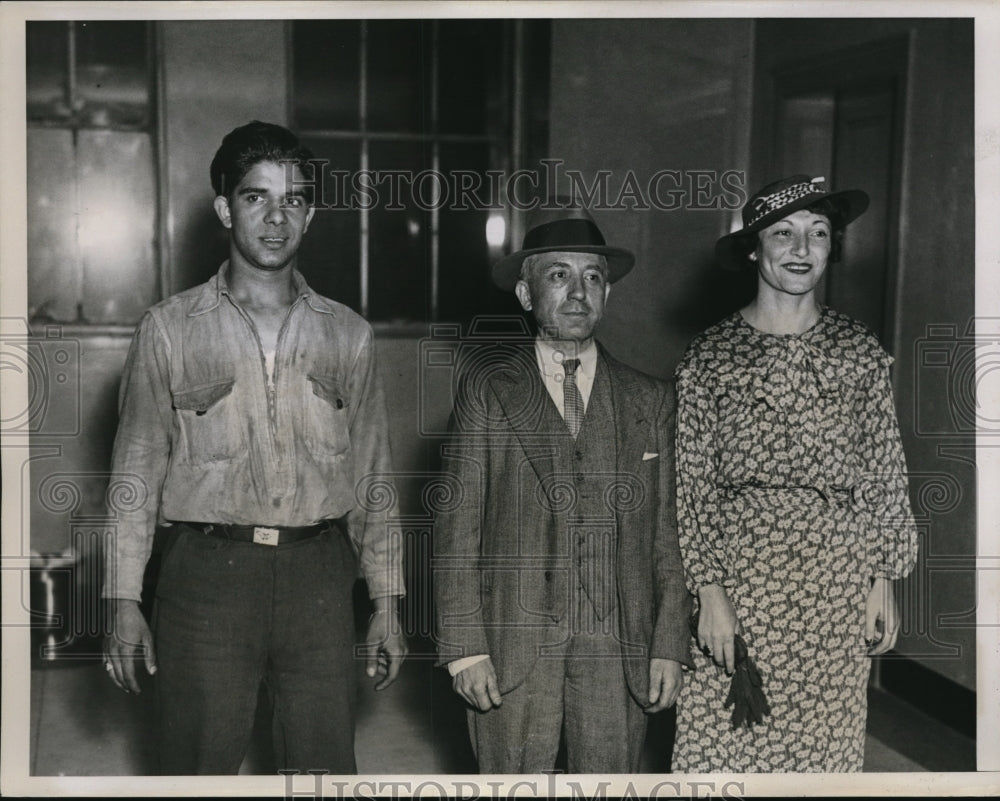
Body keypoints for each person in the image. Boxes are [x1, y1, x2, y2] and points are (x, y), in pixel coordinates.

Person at [101, 121, 407, 775]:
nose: (276, 217)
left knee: (324, 770)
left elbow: (375, 475)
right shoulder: (168, 330)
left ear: (311, 213)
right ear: (224, 208)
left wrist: (387, 600)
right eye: (255, 196)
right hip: (206, 578)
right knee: (196, 768)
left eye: (293, 199)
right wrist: (123, 599)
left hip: (318, 577)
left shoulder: (348, 335)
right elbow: (134, 473)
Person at [671, 175, 919, 772]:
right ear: (756, 248)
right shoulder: (711, 356)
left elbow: (884, 469)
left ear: (832, 247)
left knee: (821, 755)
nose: (801, 248)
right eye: (783, 233)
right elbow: (692, 485)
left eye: (818, 233)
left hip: (836, 580)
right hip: (741, 577)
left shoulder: (858, 350)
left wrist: (881, 576)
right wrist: (709, 592)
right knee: (721, 749)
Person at [433, 201, 692, 773]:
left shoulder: (649, 399)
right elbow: (457, 531)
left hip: (617, 648)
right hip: (511, 648)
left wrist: (669, 643)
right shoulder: (488, 391)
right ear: (526, 295)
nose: (578, 292)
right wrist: (464, 649)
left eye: (592, 277)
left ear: (608, 294)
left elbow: (668, 538)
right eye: (558, 275)